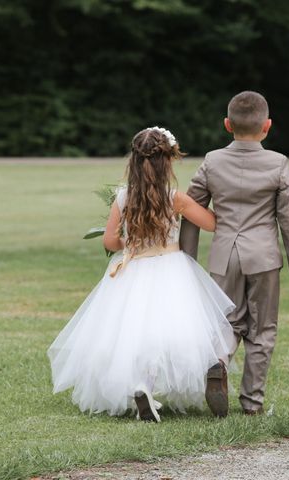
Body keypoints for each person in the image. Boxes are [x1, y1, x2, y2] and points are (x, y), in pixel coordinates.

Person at [47, 127, 236, 423]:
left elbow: (109, 242)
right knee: (168, 331)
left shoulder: (123, 197)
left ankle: (142, 386)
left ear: (133, 161)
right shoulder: (175, 198)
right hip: (171, 269)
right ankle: (171, 379)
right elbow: (211, 223)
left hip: (132, 271)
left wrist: (130, 244)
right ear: (168, 162)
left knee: (136, 332)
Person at [180, 91, 289, 417]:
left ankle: (219, 362)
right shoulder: (278, 163)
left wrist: (187, 260)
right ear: (267, 126)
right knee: (262, 330)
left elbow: (191, 210)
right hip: (263, 257)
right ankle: (252, 402)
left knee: (226, 322)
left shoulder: (212, 161)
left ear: (227, 124)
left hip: (223, 256)